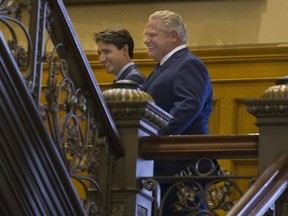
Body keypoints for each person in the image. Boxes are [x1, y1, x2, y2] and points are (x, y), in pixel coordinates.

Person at [142, 10, 218, 215]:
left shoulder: (188, 64)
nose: (145, 40)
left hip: (182, 166)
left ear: (173, 36)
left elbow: (188, 107)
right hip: (165, 167)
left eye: (152, 35)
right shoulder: (163, 67)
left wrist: (151, 138)